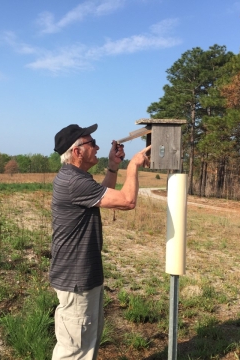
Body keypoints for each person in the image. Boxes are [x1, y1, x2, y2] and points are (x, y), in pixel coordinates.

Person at [50, 123, 151, 359]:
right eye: (91, 143)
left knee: (87, 344)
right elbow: (127, 201)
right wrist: (133, 166)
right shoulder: (74, 181)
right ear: (77, 151)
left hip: (84, 277)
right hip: (77, 280)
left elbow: (103, 196)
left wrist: (114, 166)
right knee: (74, 351)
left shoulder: (75, 178)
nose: (96, 147)